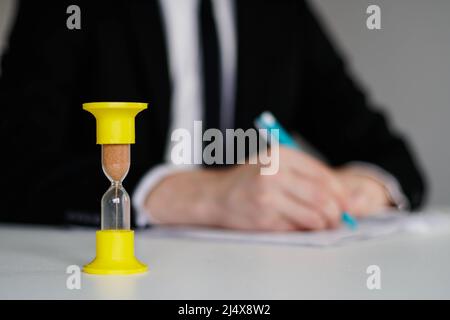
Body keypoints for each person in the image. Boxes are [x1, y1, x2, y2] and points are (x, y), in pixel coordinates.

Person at [0, 0, 426, 230]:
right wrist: (199, 196)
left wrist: (355, 190)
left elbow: (394, 161)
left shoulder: (282, 14)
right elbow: (15, 168)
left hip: (254, 279)